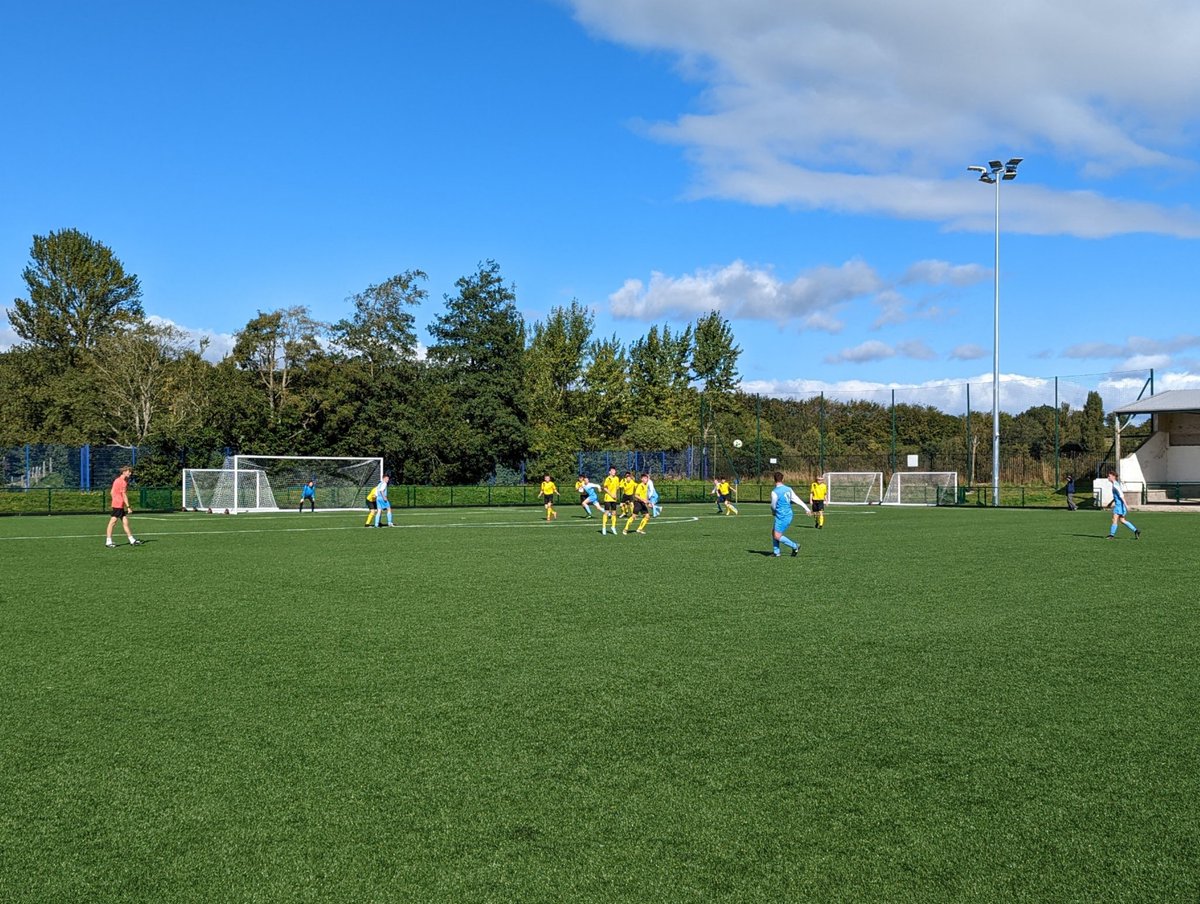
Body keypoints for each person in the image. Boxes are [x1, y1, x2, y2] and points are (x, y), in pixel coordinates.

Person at [770, 471, 811, 558]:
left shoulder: (775, 492)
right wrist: (806, 508)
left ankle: (795, 546)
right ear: (782, 479)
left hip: (781, 516)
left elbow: (773, 505)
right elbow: (796, 499)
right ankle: (776, 552)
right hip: (788, 514)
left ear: (774, 480)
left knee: (777, 535)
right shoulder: (788, 489)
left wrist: (773, 512)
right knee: (774, 532)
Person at [105, 466, 142, 548]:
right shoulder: (123, 482)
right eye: (129, 472)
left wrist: (115, 499)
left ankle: (132, 540)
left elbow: (111, 492)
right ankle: (108, 541)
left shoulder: (117, 480)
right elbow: (124, 495)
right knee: (112, 522)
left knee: (125, 522)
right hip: (118, 505)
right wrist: (128, 507)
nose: (130, 473)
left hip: (118, 504)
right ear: (124, 472)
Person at [1105, 469, 1140, 540]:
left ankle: (1111, 535)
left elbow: (1121, 495)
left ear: (1113, 476)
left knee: (1114, 519)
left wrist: (1126, 505)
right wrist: (1111, 502)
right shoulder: (1115, 484)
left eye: (1109, 476)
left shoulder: (1115, 485)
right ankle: (1136, 530)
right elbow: (1117, 496)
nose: (1108, 477)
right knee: (1122, 520)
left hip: (1119, 505)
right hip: (1120, 505)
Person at [601, 466, 621, 535]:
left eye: (614, 470)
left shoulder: (617, 478)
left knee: (614, 513)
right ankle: (604, 527)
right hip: (608, 498)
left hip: (614, 499)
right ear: (609, 472)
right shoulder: (608, 479)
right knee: (606, 512)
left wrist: (615, 495)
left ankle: (613, 527)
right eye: (612, 470)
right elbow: (605, 488)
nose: (614, 471)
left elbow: (617, 488)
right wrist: (611, 494)